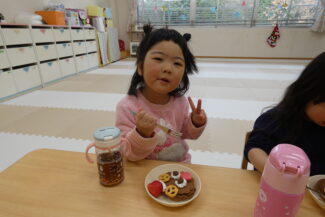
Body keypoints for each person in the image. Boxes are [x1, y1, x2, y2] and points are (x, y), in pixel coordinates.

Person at [115, 25, 207, 162]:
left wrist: (195, 123)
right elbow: (126, 151)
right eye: (158, 59)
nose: (168, 69)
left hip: (179, 166)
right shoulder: (127, 107)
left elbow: (182, 134)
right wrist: (141, 133)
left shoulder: (180, 102)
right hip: (145, 170)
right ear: (140, 67)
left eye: (177, 63)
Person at [244, 52, 325, 175]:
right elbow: (254, 148)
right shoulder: (277, 119)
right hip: (276, 188)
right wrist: (277, 176)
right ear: (308, 92)